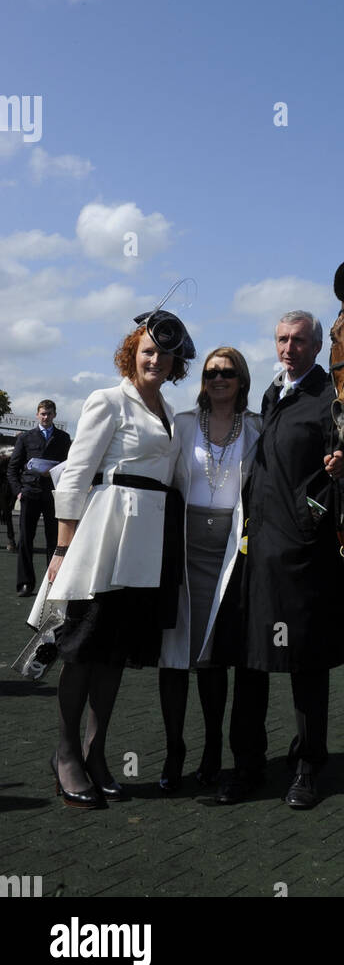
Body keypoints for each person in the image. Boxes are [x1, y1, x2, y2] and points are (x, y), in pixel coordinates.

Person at [31, 306, 194, 808]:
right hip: (105, 538)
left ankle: (95, 753)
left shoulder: (170, 412)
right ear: (132, 353)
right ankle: (65, 756)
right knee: (81, 649)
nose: (156, 361)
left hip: (150, 547)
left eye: (165, 355)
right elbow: (75, 476)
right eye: (148, 352)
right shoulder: (107, 401)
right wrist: (62, 548)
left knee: (115, 654)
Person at [215, 312, 344, 808]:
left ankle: (309, 765)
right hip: (254, 552)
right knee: (250, 664)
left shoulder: (331, 398)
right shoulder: (271, 396)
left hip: (303, 554)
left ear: (317, 346)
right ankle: (247, 765)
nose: (288, 347)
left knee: (306, 663)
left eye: (298, 340)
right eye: (281, 339)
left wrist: (341, 472)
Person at [158, 348, 261, 792]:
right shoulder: (181, 423)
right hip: (183, 547)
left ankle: (213, 746)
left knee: (213, 653)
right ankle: (174, 748)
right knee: (174, 652)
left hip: (231, 551)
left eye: (228, 372)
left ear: (242, 380)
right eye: (211, 372)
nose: (219, 378)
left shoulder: (256, 427)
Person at [8, 401, 71, 596]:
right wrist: (19, 490)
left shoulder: (63, 438)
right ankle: (25, 583)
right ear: (37, 415)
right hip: (30, 493)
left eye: (49, 414)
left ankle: (52, 583)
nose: (46, 417)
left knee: (55, 541)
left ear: (54, 415)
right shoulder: (26, 438)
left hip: (53, 495)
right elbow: (13, 468)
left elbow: (70, 465)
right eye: (43, 414)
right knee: (26, 540)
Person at [0, 449, 16, 551]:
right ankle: (11, 541)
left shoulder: (7, 459)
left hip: (5, 490)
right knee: (7, 515)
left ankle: (11, 541)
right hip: (6, 490)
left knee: (7, 515)